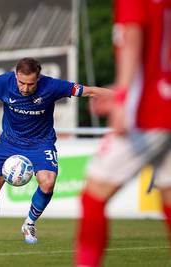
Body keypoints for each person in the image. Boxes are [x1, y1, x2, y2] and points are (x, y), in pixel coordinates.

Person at [0, 57, 111, 244]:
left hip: (41, 143)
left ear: (38, 78)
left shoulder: (52, 86)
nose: (25, 88)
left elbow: (89, 91)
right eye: (21, 83)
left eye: (30, 84)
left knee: (48, 183)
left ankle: (29, 223)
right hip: (9, 143)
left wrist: (123, 95)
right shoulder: (4, 83)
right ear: (16, 76)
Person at [75, 0, 171, 265]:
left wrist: (123, 97)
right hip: (166, 103)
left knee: (93, 196)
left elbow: (131, 36)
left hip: (148, 113)